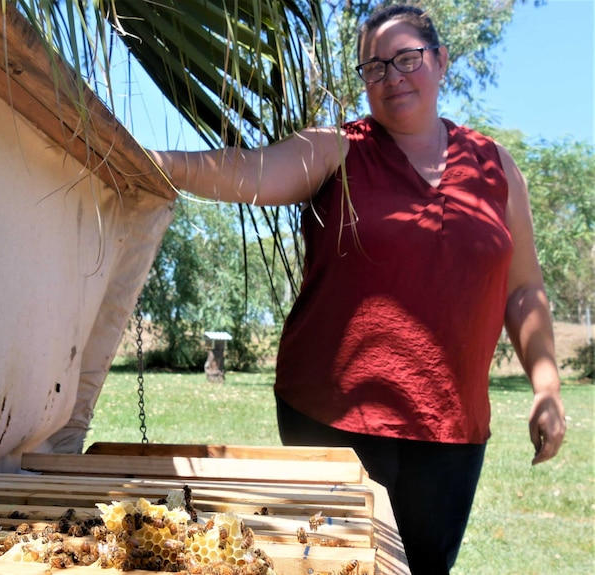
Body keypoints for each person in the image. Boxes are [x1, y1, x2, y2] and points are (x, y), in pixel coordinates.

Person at [148, 4, 566, 574]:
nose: (392, 77)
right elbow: (251, 171)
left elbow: (524, 291)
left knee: (423, 568)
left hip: (451, 425)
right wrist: (151, 163)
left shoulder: (496, 167)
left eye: (407, 59)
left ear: (440, 62)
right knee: (332, 567)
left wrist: (547, 387)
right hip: (332, 415)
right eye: (373, 67)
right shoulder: (337, 149)